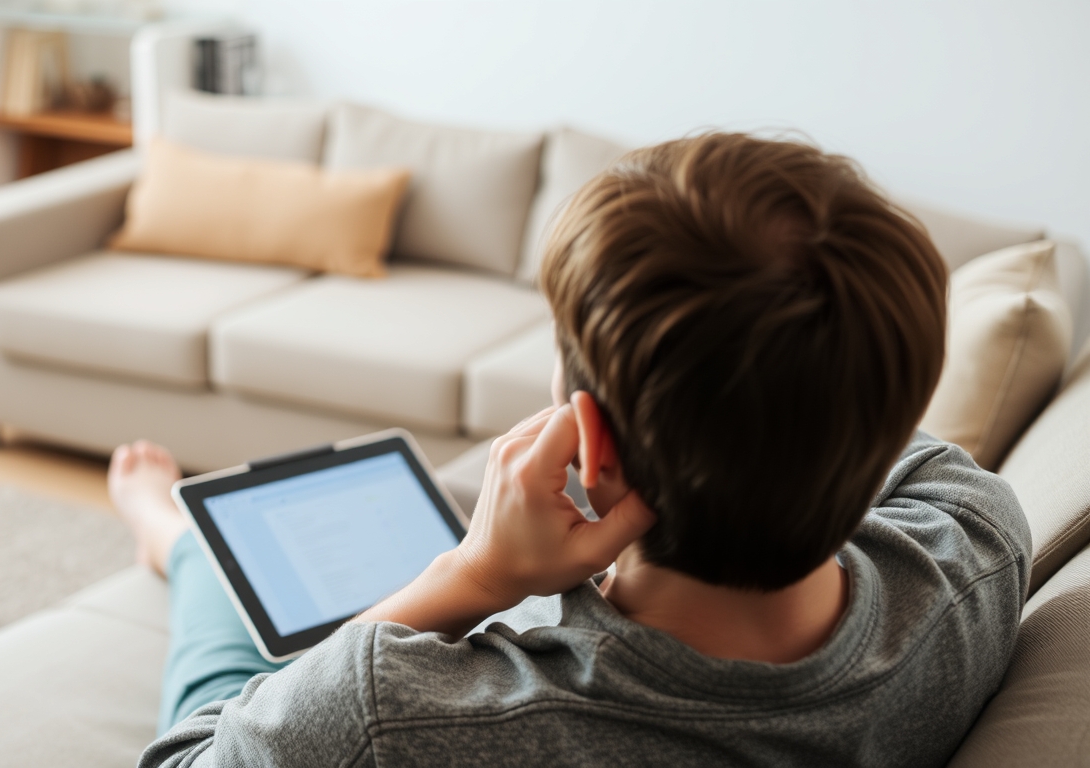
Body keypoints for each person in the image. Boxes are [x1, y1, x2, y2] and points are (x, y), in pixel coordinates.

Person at [109, 132, 1031, 767]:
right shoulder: (979, 546)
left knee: (233, 613)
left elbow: (195, 755)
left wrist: (470, 576)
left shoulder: (383, 717)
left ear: (590, 441)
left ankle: (177, 542)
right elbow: (881, 431)